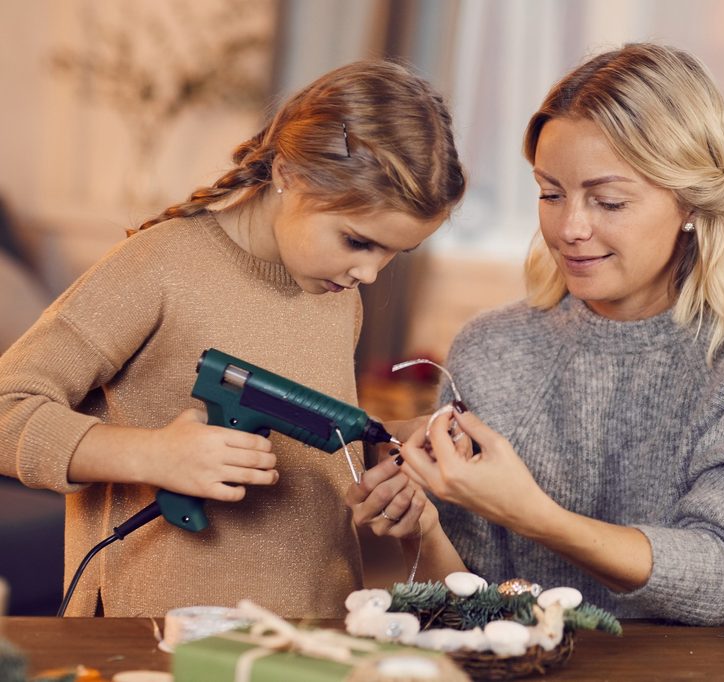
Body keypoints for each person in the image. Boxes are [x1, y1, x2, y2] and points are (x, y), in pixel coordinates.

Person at [350, 43, 724, 625]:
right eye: (550, 193)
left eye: (608, 200)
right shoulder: (493, 349)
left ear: (690, 199)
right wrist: (424, 524)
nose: (569, 228)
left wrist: (533, 514)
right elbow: (474, 606)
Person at [0, 60, 465, 618]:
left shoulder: (338, 295)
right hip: (159, 639)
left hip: (312, 633)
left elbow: (302, 434)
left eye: (395, 252)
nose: (371, 272)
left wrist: (386, 446)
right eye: (357, 241)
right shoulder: (157, 268)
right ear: (290, 173)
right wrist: (152, 455)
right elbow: (8, 410)